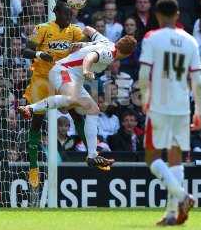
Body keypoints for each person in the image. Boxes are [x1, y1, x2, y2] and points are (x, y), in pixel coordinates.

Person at [19, 30, 137, 170]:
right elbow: (91, 57)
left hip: (75, 79)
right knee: (71, 98)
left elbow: (88, 29)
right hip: (64, 70)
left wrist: (82, 43)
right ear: (128, 55)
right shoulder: (110, 54)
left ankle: (92, 156)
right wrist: (87, 70)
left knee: (93, 110)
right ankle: (30, 108)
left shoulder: (106, 41)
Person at [138, 0, 201, 226]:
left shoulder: (151, 38)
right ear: (177, 15)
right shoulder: (190, 41)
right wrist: (200, 110)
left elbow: (144, 74)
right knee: (175, 160)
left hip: (159, 104)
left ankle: (183, 197)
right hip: (182, 106)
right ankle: (172, 214)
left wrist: (145, 98)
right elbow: (198, 81)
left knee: (152, 158)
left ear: (157, 15)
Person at [21, 1, 90, 191]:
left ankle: (91, 154)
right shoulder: (43, 28)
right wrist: (40, 54)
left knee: (77, 113)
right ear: (56, 13)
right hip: (42, 79)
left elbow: (87, 44)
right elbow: (25, 50)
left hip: (62, 78)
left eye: (71, 15)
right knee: (37, 121)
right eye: (66, 14)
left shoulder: (74, 31)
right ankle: (33, 168)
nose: (69, 18)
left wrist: (86, 44)